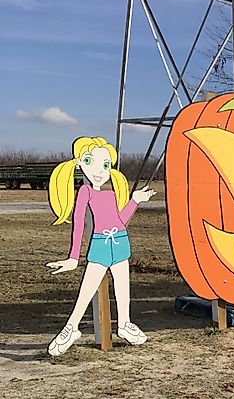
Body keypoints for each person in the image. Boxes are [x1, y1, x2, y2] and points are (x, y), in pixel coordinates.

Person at [45, 136, 155, 356]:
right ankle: (71, 327)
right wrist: (73, 257)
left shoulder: (112, 193)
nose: (99, 170)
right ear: (79, 163)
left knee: (123, 289)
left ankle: (124, 324)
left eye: (105, 165)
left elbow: (120, 221)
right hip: (100, 246)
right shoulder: (85, 192)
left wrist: (135, 200)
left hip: (121, 242)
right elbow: (78, 224)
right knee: (87, 290)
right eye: (90, 162)